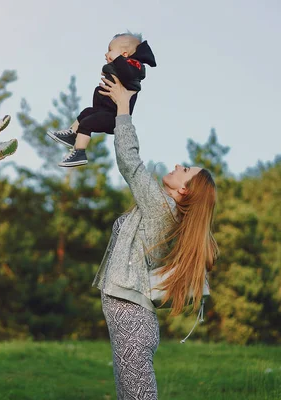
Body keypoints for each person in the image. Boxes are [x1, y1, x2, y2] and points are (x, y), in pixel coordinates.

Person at [92, 75, 218, 399]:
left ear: (183, 189)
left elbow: (130, 162)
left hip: (133, 322)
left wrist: (123, 107)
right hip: (131, 319)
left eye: (185, 169)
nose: (178, 164)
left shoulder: (162, 210)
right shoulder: (165, 212)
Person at [47, 32, 156, 167]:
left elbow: (128, 73)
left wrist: (116, 60)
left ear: (124, 54)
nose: (106, 54)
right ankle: (72, 135)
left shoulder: (135, 66)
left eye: (110, 50)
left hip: (114, 117)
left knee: (87, 123)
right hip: (104, 110)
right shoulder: (122, 66)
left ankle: (79, 152)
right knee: (86, 112)